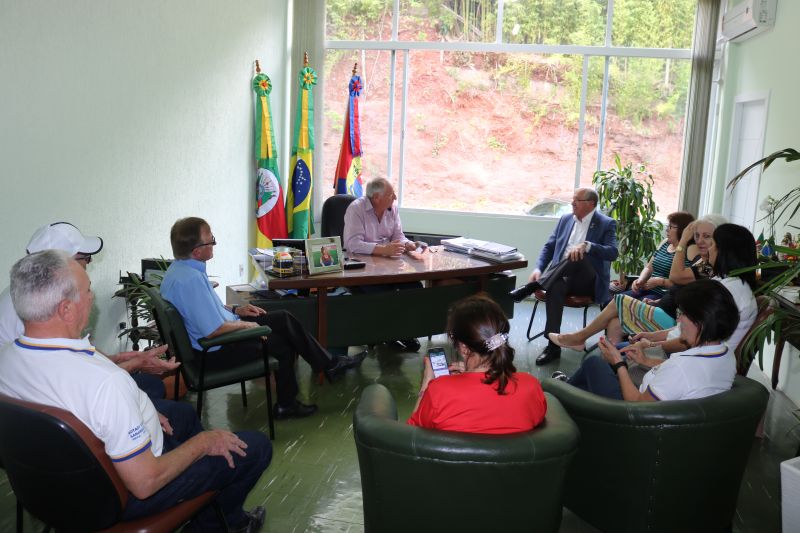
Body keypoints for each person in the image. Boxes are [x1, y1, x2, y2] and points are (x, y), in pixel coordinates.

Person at [0, 250, 270, 531]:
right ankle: (215, 525)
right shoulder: (104, 382)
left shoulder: (6, 359)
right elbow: (145, 483)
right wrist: (204, 443)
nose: (92, 297)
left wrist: (140, 410)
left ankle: (209, 507)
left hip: (51, 487)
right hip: (121, 495)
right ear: (65, 310)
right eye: (88, 290)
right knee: (255, 448)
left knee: (183, 416)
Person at [159, 217, 363, 420]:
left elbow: (206, 310)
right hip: (214, 352)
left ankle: (329, 365)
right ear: (197, 251)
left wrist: (238, 309)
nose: (214, 242)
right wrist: (246, 326)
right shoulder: (192, 280)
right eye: (210, 240)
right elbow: (213, 330)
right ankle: (289, 403)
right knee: (283, 344)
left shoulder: (180, 270)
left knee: (283, 318)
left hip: (215, 340)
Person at [0, 222, 178, 401]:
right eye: (85, 257)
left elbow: (76, 351)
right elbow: (79, 382)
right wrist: (135, 364)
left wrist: (116, 358)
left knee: (150, 386)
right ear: (61, 264)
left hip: (44, 390)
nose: (89, 263)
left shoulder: (25, 293)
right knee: (167, 403)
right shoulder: (40, 308)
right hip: (48, 397)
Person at [550, 223, 758, 360]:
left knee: (616, 310)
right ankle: (605, 361)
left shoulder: (722, 286)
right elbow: (688, 328)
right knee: (613, 327)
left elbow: (692, 338)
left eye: (711, 241)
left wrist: (650, 345)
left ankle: (584, 343)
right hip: (672, 328)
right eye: (697, 236)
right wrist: (650, 337)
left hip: (682, 352)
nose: (706, 245)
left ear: (725, 252)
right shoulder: (722, 280)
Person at [556, 278, 741, 401]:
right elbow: (683, 377)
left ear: (700, 322)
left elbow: (636, 404)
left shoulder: (681, 369)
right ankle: (570, 392)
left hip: (630, 415)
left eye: (683, 314)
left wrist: (619, 364)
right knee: (592, 377)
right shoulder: (725, 354)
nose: (678, 320)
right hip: (664, 407)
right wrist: (645, 360)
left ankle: (561, 393)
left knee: (594, 364)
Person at [509, 187, 618, 366]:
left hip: (588, 280)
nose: (572, 203)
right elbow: (549, 247)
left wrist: (588, 246)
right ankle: (553, 345)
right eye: (573, 199)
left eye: (577, 200)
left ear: (591, 204)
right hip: (561, 277)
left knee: (578, 256)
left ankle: (531, 287)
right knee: (555, 285)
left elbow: (613, 252)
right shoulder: (566, 219)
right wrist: (538, 269)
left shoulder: (606, 223)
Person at [407, 295, 547, 434]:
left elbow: (412, 435)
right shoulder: (531, 387)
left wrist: (426, 384)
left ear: (464, 348)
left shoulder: (439, 392)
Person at [343, 177, 425, 352]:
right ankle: (388, 335)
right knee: (383, 293)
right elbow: (352, 244)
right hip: (363, 268)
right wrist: (383, 249)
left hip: (389, 265)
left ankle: (405, 331)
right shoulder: (356, 209)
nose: (395, 197)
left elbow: (398, 236)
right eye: (391, 194)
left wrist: (408, 244)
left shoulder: (392, 209)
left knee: (414, 287)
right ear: (376, 197)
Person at [625, 211, 695, 301]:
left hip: (663, 295)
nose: (667, 230)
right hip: (646, 288)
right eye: (668, 226)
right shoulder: (665, 242)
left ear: (683, 230)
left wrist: (660, 282)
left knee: (634, 305)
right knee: (617, 300)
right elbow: (649, 267)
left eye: (671, 227)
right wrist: (640, 280)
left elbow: (685, 285)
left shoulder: (690, 250)